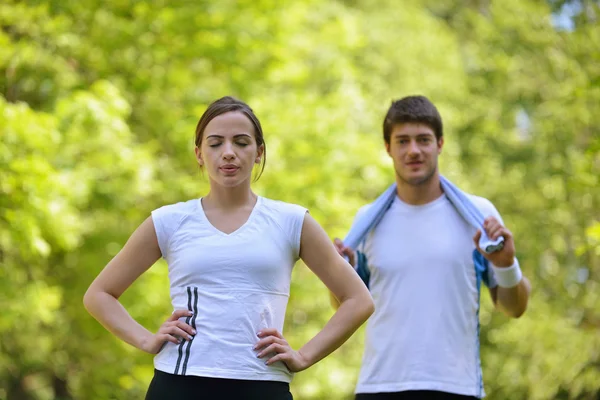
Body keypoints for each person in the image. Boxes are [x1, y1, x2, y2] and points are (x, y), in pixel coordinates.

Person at [84, 96, 374, 400]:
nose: (228, 153)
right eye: (215, 143)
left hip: (262, 384)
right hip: (180, 383)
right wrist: (145, 340)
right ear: (199, 154)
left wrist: (304, 356)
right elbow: (99, 295)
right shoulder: (170, 221)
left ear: (259, 152)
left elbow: (358, 300)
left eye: (241, 142)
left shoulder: (291, 221)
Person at [332, 95, 531, 400]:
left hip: (455, 387)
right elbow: (344, 305)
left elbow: (514, 307)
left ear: (439, 143)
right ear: (388, 148)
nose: (413, 150)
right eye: (403, 141)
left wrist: (506, 264)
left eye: (423, 140)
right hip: (379, 386)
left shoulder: (478, 217)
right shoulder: (365, 223)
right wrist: (338, 274)